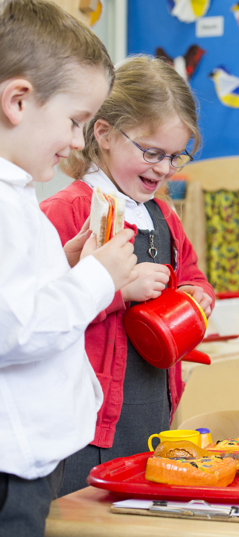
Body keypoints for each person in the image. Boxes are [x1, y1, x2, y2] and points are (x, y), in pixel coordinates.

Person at [40, 55, 214, 496]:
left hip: (151, 411)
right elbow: (42, 315)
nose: (164, 169)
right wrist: (118, 292)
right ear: (103, 134)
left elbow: (193, 274)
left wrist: (197, 294)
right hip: (87, 428)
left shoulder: (162, 215)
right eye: (151, 153)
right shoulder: (69, 211)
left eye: (176, 156)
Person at [0, 1, 137, 534]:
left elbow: (17, 292)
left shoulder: (19, 195)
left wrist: (66, 264)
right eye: (75, 121)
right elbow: (15, 326)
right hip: (12, 469)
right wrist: (96, 279)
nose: (78, 142)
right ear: (18, 101)